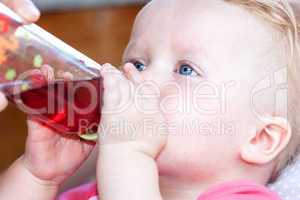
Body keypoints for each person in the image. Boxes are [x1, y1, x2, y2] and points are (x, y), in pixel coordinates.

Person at [1, 0, 300, 200]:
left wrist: (128, 152)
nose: (141, 80)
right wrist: (39, 176)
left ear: (261, 138)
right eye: (138, 63)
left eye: (185, 69)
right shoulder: (94, 190)